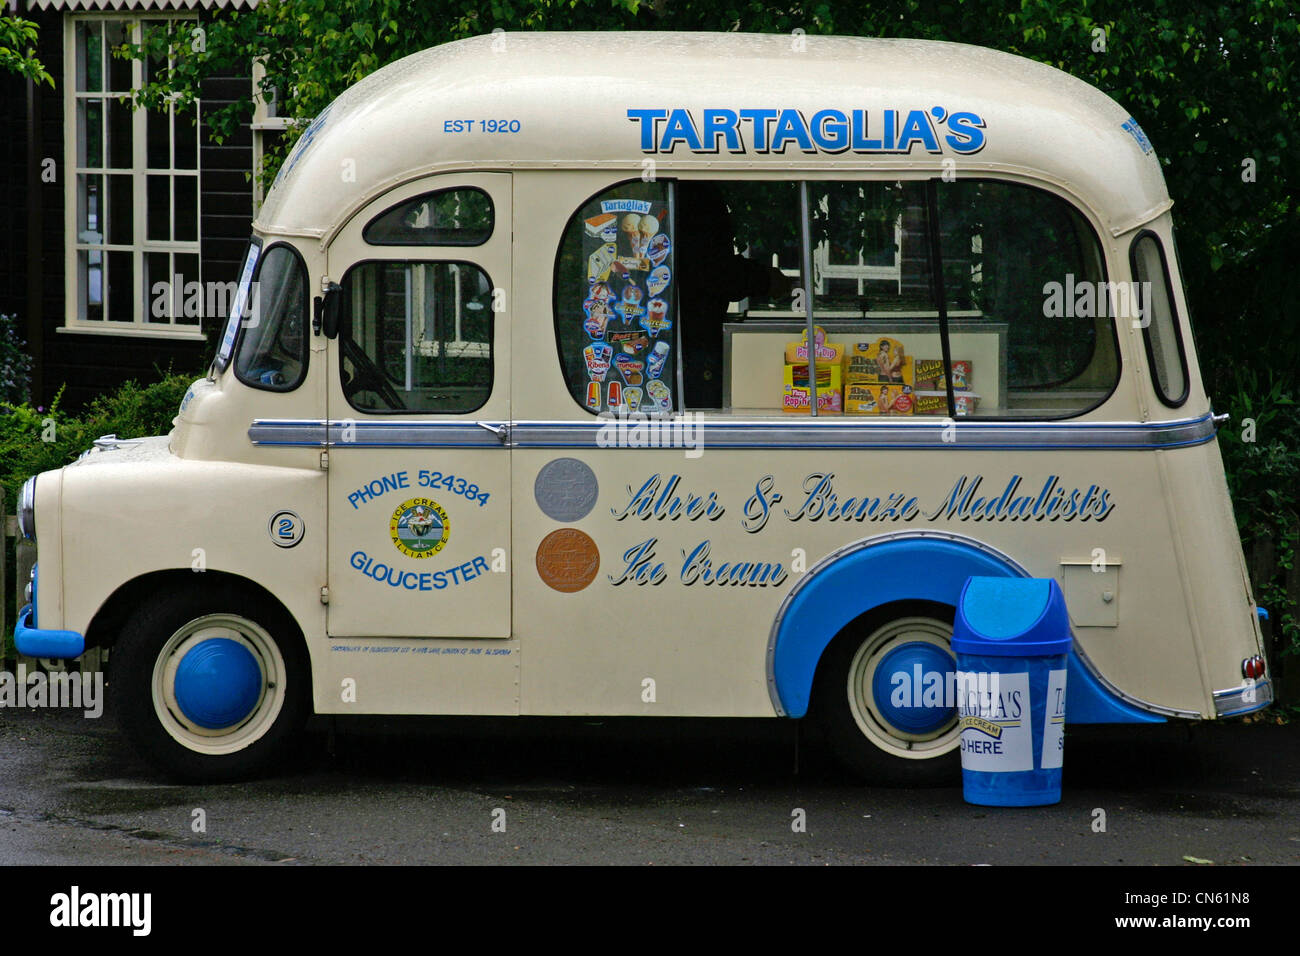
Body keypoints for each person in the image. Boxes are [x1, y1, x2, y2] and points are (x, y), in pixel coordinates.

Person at [675, 182, 794, 408]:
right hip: (696, 332)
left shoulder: (694, 201)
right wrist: (766, 279)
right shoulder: (701, 205)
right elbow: (716, 272)